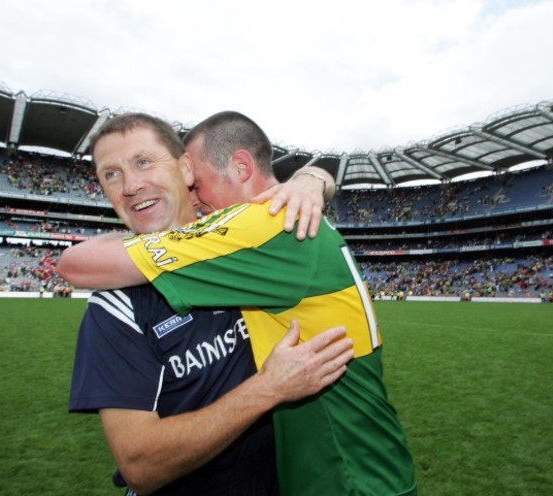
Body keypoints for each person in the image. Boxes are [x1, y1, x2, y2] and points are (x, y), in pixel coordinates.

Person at [59, 110, 418, 496]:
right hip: (353, 471)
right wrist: (314, 178)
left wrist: (311, 179)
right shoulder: (132, 299)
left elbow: (75, 263)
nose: (195, 196)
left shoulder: (264, 230)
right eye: (110, 174)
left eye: (144, 162)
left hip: (349, 481)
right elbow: (141, 464)